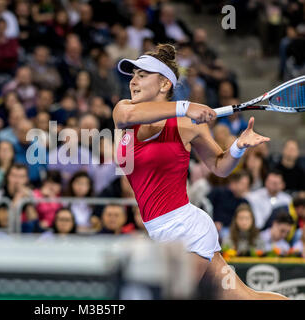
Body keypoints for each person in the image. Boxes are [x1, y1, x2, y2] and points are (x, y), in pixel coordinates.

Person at [113, 43, 285, 299]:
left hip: (187, 231)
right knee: (244, 298)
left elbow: (220, 167)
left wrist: (238, 146)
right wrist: (185, 107)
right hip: (159, 231)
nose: (133, 82)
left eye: (142, 75)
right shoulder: (125, 110)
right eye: (133, 75)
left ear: (164, 84)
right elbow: (129, 116)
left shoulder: (188, 126)